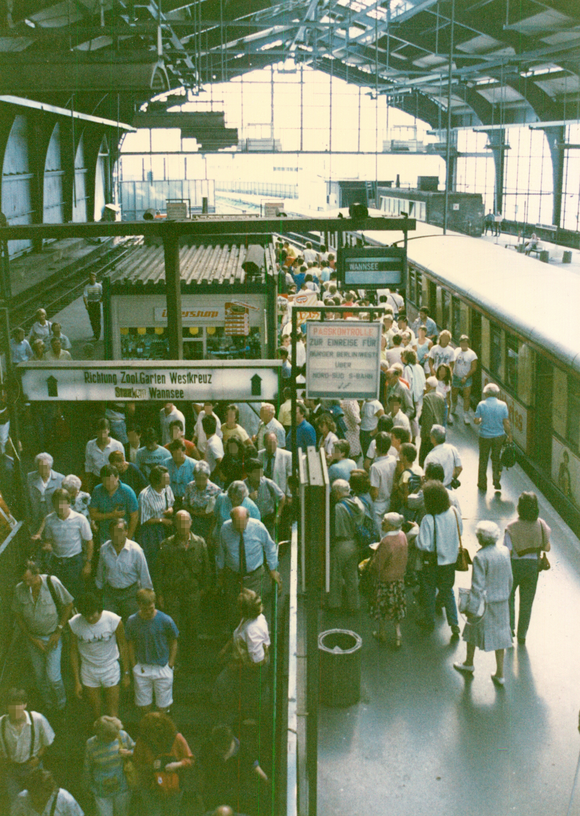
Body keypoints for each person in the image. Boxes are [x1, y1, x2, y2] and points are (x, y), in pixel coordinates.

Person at [453, 521, 513, 686]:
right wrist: (506, 595)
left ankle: (469, 663)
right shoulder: (504, 551)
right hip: (501, 602)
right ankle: (500, 673)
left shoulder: (480, 557)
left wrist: (471, 608)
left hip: (484, 604)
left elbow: (477, 587)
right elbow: (510, 578)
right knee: (501, 636)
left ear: (480, 538)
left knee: (472, 631)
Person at [12, 562, 73, 712]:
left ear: (36, 573)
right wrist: (31, 638)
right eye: (24, 581)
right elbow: (18, 615)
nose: (27, 584)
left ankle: (61, 705)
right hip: (33, 639)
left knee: (53, 677)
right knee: (40, 677)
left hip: (52, 637)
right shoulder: (19, 589)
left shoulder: (52, 583)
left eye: (30, 580)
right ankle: (48, 705)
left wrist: (58, 631)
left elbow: (68, 604)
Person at [70, 593, 130, 719]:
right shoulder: (74, 623)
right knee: (96, 712)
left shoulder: (113, 620)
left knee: (113, 713)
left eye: (93, 614)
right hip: (88, 670)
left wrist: (126, 673)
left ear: (99, 610)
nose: (90, 618)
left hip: (110, 668)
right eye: (86, 615)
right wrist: (77, 681)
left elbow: (123, 646)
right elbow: (73, 651)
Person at [213, 589, 271, 720]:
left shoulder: (252, 630)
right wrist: (225, 649)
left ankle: (235, 718)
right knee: (223, 685)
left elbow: (258, 662)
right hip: (241, 660)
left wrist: (237, 667)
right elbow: (238, 633)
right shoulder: (249, 618)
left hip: (252, 670)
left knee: (227, 687)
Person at [217, 507, 281, 624]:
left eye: (243, 524)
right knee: (234, 606)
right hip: (233, 576)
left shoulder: (258, 527)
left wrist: (272, 569)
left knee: (252, 606)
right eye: (237, 525)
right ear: (232, 521)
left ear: (248, 519)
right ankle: (237, 631)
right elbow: (221, 551)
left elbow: (270, 547)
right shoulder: (225, 529)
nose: (240, 528)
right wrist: (220, 573)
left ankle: (252, 632)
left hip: (254, 576)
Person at [157, 510, 210, 649]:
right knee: (173, 627)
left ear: (191, 523)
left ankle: (192, 656)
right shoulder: (166, 544)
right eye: (179, 522)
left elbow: (206, 568)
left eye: (185, 522)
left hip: (192, 592)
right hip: (172, 593)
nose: (183, 526)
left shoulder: (199, 543)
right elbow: (159, 572)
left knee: (192, 627)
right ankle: (175, 657)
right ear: (175, 524)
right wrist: (160, 594)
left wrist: (203, 589)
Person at [415, 480, 461, 637]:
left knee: (429, 591)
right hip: (451, 560)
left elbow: (423, 544)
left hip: (433, 562)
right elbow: (460, 531)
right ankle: (454, 624)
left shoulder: (428, 519)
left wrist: (416, 532)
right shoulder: (454, 512)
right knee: (447, 591)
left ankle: (429, 621)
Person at [505, 491, 551, 645]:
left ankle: (510, 629)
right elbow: (547, 547)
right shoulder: (541, 524)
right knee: (527, 602)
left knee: (509, 596)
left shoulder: (511, 527)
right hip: (533, 567)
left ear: (520, 507)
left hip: (514, 565)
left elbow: (507, 551)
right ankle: (522, 634)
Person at [125, 589, 179, 715]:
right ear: (138, 605)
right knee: (144, 708)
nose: (148, 612)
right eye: (145, 609)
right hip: (142, 667)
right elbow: (130, 644)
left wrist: (170, 664)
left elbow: (174, 641)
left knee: (163, 708)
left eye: (151, 608)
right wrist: (134, 665)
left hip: (162, 666)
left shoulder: (165, 620)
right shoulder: (132, 621)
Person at [0, 688, 55, 806]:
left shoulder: (37, 719)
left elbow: (48, 741)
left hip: (33, 768)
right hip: (12, 770)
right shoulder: (1, 723)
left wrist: (38, 758)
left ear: (25, 704)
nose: (15, 709)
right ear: (7, 706)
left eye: (18, 704)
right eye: (11, 705)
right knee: (16, 803)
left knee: (37, 800)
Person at [132, 712, 193, 816]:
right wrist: (151, 767)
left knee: (172, 813)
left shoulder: (177, 737)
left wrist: (177, 765)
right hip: (150, 787)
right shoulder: (142, 740)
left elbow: (190, 759)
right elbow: (136, 763)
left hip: (174, 786)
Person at [199, 723, 268, 814]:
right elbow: (201, 772)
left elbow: (255, 767)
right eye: (218, 747)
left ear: (230, 741)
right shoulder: (207, 748)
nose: (220, 750)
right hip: (214, 797)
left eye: (224, 747)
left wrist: (266, 780)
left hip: (238, 799)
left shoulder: (243, 750)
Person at [96, 519, 153, 621]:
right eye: (113, 531)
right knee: (109, 622)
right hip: (110, 593)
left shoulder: (136, 550)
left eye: (119, 531)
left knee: (131, 622)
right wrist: (99, 590)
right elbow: (101, 571)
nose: (116, 535)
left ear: (126, 532)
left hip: (131, 594)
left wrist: (148, 596)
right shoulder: (104, 549)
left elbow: (144, 575)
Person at [41, 488, 94, 599]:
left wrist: (88, 564)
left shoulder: (80, 519)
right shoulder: (49, 520)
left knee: (77, 594)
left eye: (62, 503)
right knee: (59, 594)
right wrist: (47, 545)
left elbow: (89, 541)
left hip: (75, 562)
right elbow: (48, 540)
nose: (60, 507)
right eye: (56, 504)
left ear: (69, 503)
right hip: (57, 563)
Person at [368, 512, 408, 646]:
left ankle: (382, 632)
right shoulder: (402, 535)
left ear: (391, 526)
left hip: (385, 580)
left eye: (384, 522)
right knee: (397, 608)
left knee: (381, 607)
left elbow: (378, 565)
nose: (381, 523)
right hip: (398, 579)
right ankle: (398, 634)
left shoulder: (386, 542)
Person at [83, 716, 135, 816]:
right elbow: (87, 767)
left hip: (122, 788)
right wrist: (86, 787)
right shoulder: (91, 744)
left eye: (115, 734)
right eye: (110, 737)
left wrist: (129, 753)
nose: (115, 738)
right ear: (99, 734)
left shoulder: (122, 735)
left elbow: (137, 750)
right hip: (100, 790)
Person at [328, 480, 364, 613]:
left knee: (336, 575)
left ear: (337, 493)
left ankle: (335, 604)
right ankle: (354, 605)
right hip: (355, 542)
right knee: (352, 576)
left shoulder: (338, 507)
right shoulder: (357, 503)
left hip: (341, 544)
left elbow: (334, 530)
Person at [474, 382, 512, 492]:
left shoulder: (481, 404)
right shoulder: (503, 405)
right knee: (496, 458)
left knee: (483, 459)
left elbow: (476, 421)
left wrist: (481, 420)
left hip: (484, 436)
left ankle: (482, 483)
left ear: (486, 393)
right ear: (497, 393)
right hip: (499, 436)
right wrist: (509, 434)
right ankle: (496, 480)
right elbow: (506, 422)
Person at [90, 465, 139, 546]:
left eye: (111, 481)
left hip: (123, 537)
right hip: (105, 537)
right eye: (105, 481)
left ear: (117, 477)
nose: (108, 484)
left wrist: (128, 539)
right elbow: (93, 515)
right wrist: (112, 515)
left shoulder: (127, 491)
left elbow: (135, 516)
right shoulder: (97, 491)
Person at [138, 465, 174, 571]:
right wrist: (162, 520)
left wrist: (170, 510)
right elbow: (144, 519)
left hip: (165, 528)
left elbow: (171, 504)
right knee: (154, 559)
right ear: (157, 481)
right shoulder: (145, 495)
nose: (168, 480)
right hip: (151, 532)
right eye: (165, 479)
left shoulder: (167, 489)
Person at [12, 768, 84, 816]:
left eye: (40, 796)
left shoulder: (65, 798)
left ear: (50, 792)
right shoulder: (21, 799)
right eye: (34, 795)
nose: (37, 801)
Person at [244, 459, 285, 537]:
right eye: (256, 472)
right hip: (250, 521)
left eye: (260, 471)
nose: (259, 474)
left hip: (268, 519)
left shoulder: (267, 483)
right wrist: (248, 499)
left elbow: (282, 497)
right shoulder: (243, 486)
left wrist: (278, 515)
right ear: (249, 473)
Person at [183, 460, 221, 542]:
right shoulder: (190, 486)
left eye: (202, 479)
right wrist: (195, 513)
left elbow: (216, 512)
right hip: (192, 522)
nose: (200, 482)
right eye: (197, 478)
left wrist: (201, 514)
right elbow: (185, 504)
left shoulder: (216, 490)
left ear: (208, 476)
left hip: (208, 523)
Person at [27, 453, 64, 535]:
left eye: (45, 467)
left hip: (52, 511)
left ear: (50, 466)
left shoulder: (60, 478)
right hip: (35, 511)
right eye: (40, 467)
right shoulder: (30, 477)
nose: (42, 470)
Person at [369, 432, 397, 535]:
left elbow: (374, 492)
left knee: (379, 534)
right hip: (389, 500)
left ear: (376, 447)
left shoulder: (375, 467)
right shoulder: (393, 459)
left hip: (378, 505)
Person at [85, 419, 124, 489]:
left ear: (108, 430)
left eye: (104, 432)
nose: (102, 436)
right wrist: (88, 484)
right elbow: (88, 465)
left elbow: (122, 465)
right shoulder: (90, 445)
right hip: (97, 479)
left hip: (112, 480)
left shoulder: (118, 445)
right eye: (100, 432)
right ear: (96, 432)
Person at [418, 377, 446, 466]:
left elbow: (427, 416)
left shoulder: (427, 397)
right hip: (438, 429)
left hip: (428, 432)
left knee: (423, 457)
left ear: (429, 386)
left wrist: (427, 433)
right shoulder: (441, 396)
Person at [452, 335, 478, 424]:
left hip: (467, 378)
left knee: (466, 396)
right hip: (456, 376)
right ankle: (454, 406)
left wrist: (466, 377)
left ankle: (465, 414)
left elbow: (474, 368)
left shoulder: (472, 354)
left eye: (465, 343)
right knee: (454, 394)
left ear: (468, 344)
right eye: (462, 343)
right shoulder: (456, 350)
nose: (463, 345)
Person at [203, 415, 224, 482]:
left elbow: (220, 461)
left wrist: (213, 475)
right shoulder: (216, 439)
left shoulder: (213, 444)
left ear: (203, 428)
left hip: (215, 479)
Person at [83, 271, 103, 341]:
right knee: (92, 320)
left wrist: (100, 300)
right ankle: (95, 333)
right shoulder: (87, 287)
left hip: (96, 303)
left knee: (97, 319)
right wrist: (86, 305)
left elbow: (102, 294)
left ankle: (97, 335)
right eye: (91, 277)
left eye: (93, 277)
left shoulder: (99, 286)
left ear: (95, 278)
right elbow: (85, 296)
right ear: (89, 278)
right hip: (91, 304)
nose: (92, 279)